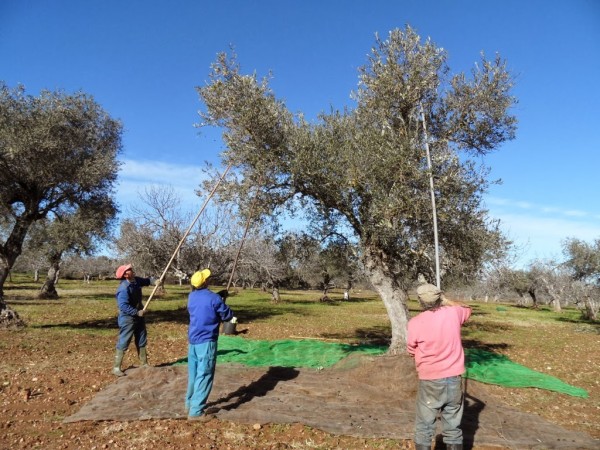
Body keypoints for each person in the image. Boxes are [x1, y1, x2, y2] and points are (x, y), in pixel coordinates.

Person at [407, 283, 472, 450]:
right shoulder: (454, 313)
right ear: (439, 297)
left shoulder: (415, 322)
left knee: (425, 424)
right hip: (454, 378)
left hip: (429, 379)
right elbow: (467, 308)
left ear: (420, 301)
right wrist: (447, 300)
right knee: (452, 425)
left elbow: (410, 349)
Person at [185, 268, 234, 421]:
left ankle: (189, 404)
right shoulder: (213, 299)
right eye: (207, 278)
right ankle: (196, 412)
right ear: (205, 282)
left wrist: (219, 297)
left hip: (193, 341)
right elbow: (227, 315)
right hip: (206, 341)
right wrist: (221, 300)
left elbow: (204, 305)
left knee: (194, 374)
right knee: (205, 374)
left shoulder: (191, 296)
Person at [112, 264, 154, 377]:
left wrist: (156, 281)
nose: (132, 270)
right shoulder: (123, 289)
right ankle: (116, 367)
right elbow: (123, 306)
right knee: (124, 340)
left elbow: (147, 281)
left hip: (139, 317)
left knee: (141, 339)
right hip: (128, 318)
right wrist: (136, 312)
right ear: (125, 274)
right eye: (129, 270)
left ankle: (144, 364)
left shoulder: (136, 281)